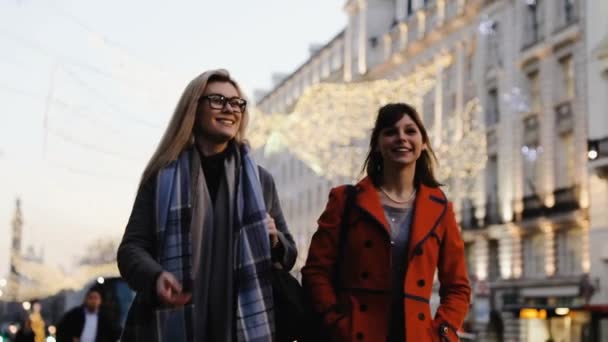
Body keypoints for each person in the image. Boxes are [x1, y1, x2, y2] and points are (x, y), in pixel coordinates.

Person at [117, 69, 297, 342]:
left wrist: (274, 240)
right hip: (168, 322)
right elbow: (131, 248)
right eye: (217, 100)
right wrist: (155, 278)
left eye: (236, 103)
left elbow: (289, 253)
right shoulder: (162, 176)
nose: (229, 109)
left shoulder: (261, 182)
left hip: (240, 326)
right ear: (193, 109)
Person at [302, 103, 471, 341]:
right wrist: (334, 321)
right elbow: (315, 271)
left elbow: (457, 287)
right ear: (378, 145)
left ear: (423, 143)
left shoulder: (440, 209)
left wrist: (443, 331)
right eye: (390, 132)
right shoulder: (345, 200)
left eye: (410, 131)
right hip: (354, 334)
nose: (401, 137)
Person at [56, 287, 120, 342]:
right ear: (86, 299)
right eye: (91, 298)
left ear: (100, 301)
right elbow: (61, 330)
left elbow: (113, 335)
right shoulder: (75, 314)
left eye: (96, 298)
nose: (93, 301)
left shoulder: (105, 318)